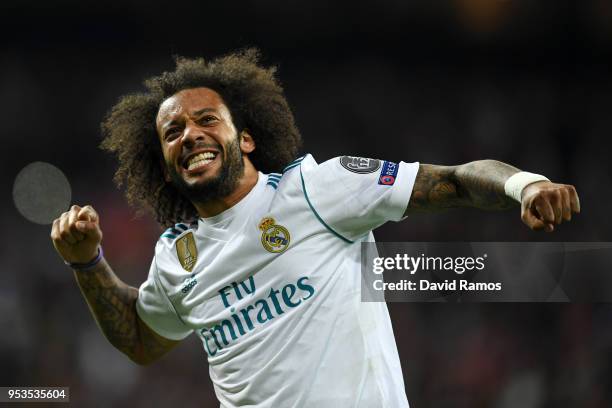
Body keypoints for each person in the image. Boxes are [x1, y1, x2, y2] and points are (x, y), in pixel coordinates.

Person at [50, 49, 580, 408]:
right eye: (173, 132)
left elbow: (458, 181)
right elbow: (143, 340)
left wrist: (526, 186)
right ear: (165, 166)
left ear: (247, 139)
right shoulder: (175, 257)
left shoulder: (317, 190)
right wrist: (88, 263)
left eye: (207, 120)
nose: (190, 134)